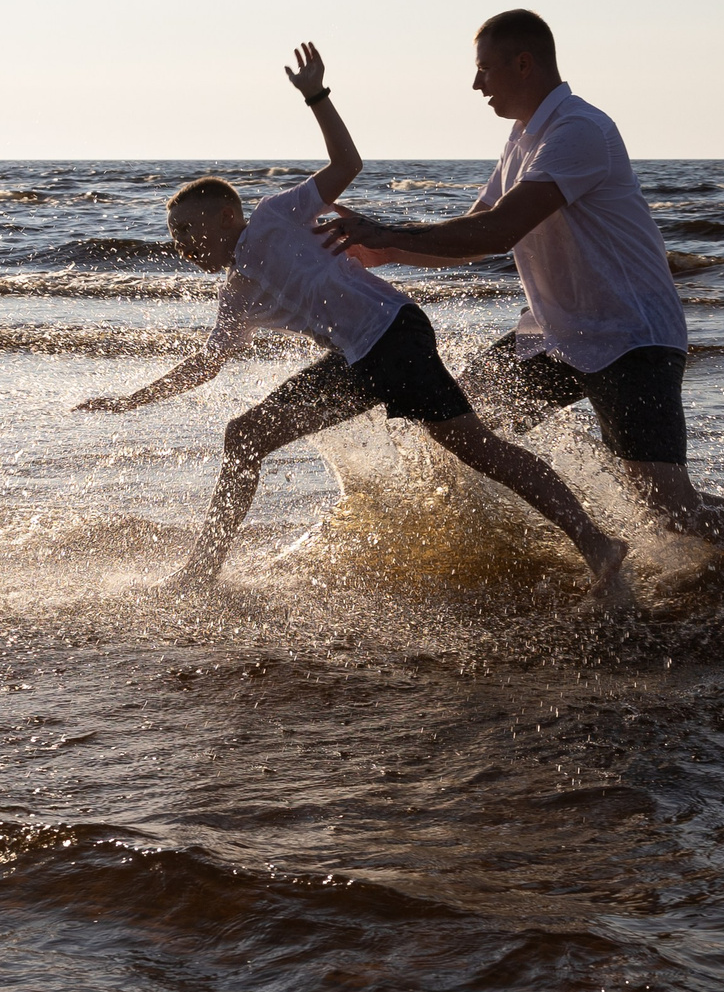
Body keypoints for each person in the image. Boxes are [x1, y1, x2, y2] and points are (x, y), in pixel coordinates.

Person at [75, 42, 634, 606]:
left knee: (477, 448)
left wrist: (317, 96)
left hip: (393, 336)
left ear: (227, 217)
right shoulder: (237, 295)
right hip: (359, 359)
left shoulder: (275, 216)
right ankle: (201, 572)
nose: (185, 249)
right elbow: (207, 363)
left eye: (190, 234)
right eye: (175, 242)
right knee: (245, 437)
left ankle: (594, 542)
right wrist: (131, 400)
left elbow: (348, 164)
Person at [324, 9, 724, 547]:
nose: (476, 84)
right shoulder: (524, 138)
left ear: (523, 64)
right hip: (555, 333)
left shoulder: (578, 130)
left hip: (630, 338)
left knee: (668, 507)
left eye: (484, 69)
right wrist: (381, 252)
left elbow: (499, 231)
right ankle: (520, 555)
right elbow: (472, 236)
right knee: (461, 427)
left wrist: (389, 233)